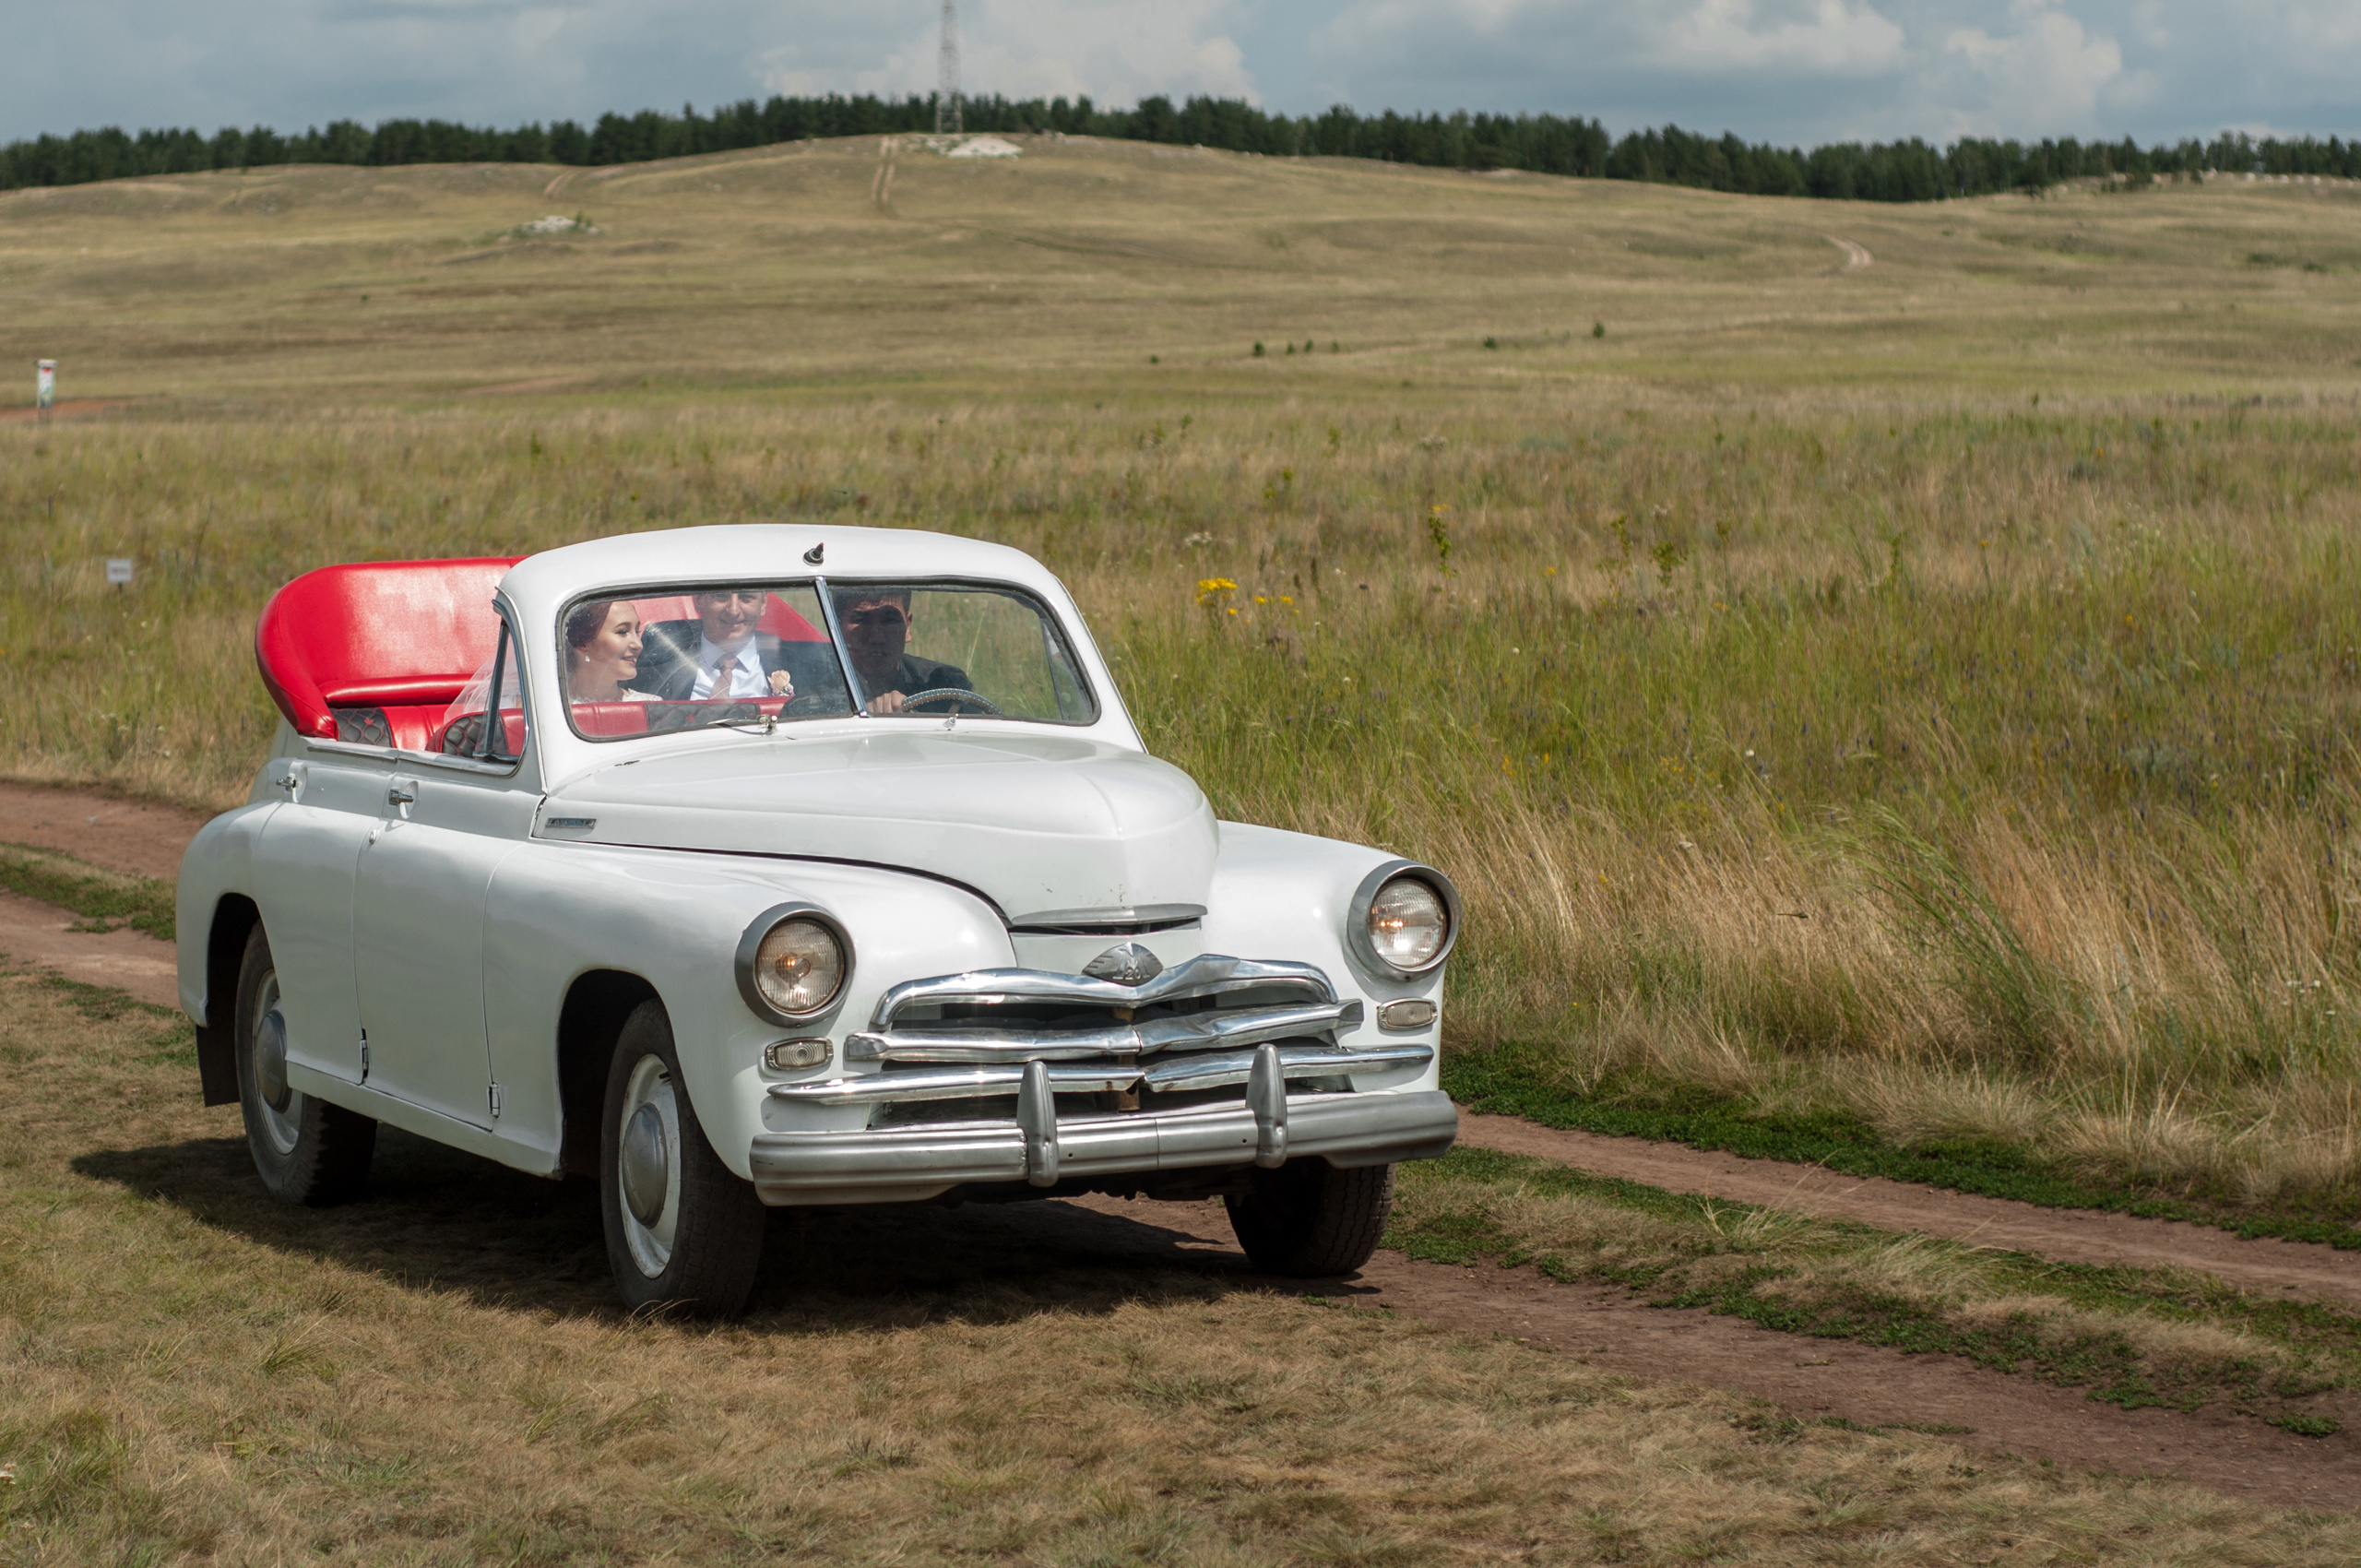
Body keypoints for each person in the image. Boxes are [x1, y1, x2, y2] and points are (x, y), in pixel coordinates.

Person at [635, 589, 801, 704]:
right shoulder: (656, 662)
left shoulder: (800, 664)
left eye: (745, 598)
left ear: (763, 603)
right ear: (698, 600)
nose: (733, 610)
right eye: (721, 596)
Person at [832, 587, 971, 715]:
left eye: (890, 620)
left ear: (908, 626)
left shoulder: (944, 683)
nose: (877, 638)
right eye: (861, 620)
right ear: (837, 628)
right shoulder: (816, 691)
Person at [564, 600, 660, 705]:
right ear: (583, 644)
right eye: (622, 632)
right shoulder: (552, 707)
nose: (639, 645)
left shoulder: (652, 706)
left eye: (637, 631)